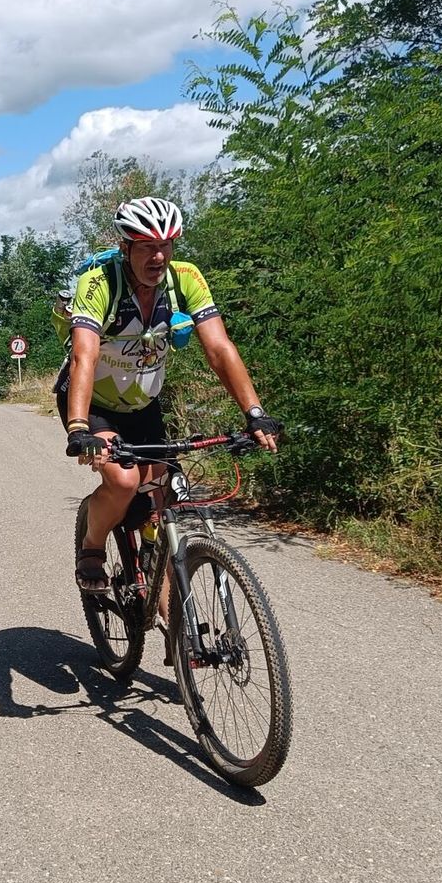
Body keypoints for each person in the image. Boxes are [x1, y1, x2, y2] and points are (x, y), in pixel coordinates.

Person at [56, 196, 280, 592]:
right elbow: (83, 357)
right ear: (125, 248)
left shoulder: (186, 278)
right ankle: (92, 546)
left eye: (165, 245)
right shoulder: (100, 284)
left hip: (143, 402)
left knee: (160, 490)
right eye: (146, 247)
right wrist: (78, 428)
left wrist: (255, 412)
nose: (158, 256)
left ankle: (160, 598)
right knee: (124, 482)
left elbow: (219, 348)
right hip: (93, 403)